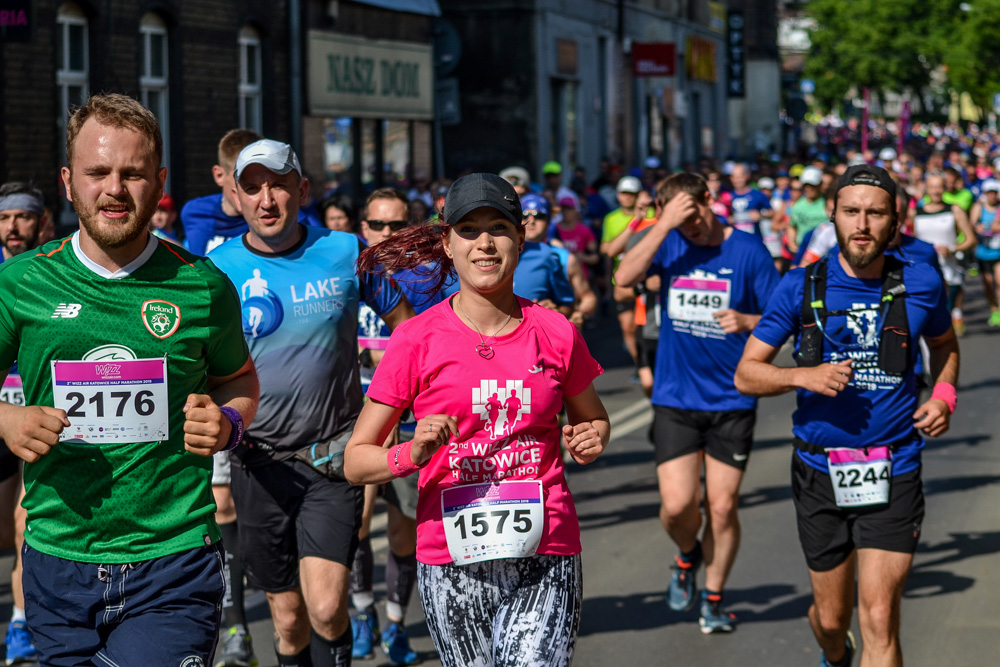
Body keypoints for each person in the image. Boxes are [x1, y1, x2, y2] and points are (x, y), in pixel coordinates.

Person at [0, 93, 259, 666]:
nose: (114, 189)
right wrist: (6, 416)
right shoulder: (21, 282)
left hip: (173, 561)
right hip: (57, 561)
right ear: (69, 182)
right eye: (97, 172)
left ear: (159, 180)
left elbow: (239, 378)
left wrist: (229, 418)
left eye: (133, 173)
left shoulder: (203, 285)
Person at [345, 173, 610, 667]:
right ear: (446, 243)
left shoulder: (554, 331)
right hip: (451, 560)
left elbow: (594, 418)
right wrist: (412, 453)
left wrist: (592, 436)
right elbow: (357, 462)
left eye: (499, 228)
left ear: (521, 237)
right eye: (468, 230)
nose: (484, 243)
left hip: (545, 552)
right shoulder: (416, 339)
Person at [735, 165, 959, 667]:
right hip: (819, 468)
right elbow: (747, 374)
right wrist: (801, 377)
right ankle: (835, 653)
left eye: (876, 213)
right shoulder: (799, 286)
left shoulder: (921, 280)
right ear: (832, 216)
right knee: (833, 621)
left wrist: (944, 394)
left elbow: (944, 345)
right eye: (852, 211)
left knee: (879, 616)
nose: (863, 223)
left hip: (895, 464)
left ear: (895, 220)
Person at [209, 140, 413, 667]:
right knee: (289, 619)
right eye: (252, 187)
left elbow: (407, 332)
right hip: (257, 463)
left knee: (324, 608)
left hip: (331, 459)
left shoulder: (345, 251)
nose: (267, 198)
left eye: (278, 184)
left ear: (303, 189)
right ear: (236, 195)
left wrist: (384, 414)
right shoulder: (217, 267)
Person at [615, 172, 779, 634]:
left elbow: (781, 317)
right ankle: (687, 556)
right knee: (677, 507)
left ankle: (713, 595)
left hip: (733, 398)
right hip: (676, 396)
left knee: (722, 507)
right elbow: (624, 278)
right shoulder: (668, 241)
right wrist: (664, 225)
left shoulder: (747, 250)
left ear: (710, 201)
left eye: (695, 216)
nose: (693, 229)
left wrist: (749, 319)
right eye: (682, 221)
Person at [351, 188, 443, 665]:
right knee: (360, 524)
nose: (387, 235)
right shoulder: (347, 274)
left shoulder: (431, 278)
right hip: (358, 417)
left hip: (410, 422)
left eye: (397, 226)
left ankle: (395, 625)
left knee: (404, 530)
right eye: (378, 226)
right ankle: (362, 615)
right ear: (363, 227)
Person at [0, 181, 49, 663]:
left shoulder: (57, 270)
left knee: (22, 524)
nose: (13, 227)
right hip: (1, 410)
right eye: (5, 218)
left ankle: (20, 624)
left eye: (23, 217)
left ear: (42, 222)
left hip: (43, 415)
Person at [521, 193, 597, 329]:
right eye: (524, 215)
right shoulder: (504, 255)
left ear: (549, 221)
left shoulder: (563, 256)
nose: (531, 221)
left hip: (555, 333)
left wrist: (580, 315)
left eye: (539, 216)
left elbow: (588, 297)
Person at [913, 172, 976, 335]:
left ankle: (955, 317)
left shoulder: (954, 210)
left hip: (949, 268)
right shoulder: (916, 212)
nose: (936, 191)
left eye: (939, 187)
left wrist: (952, 249)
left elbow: (971, 239)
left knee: (946, 308)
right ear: (926, 188)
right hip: (924, 269)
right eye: (932, 187)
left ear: (945, 188)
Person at [972, 179, 1000, 326]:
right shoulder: (979, 207)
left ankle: (999, 310)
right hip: (983, 252)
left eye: (994, 193)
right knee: (988, 284)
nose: (992, 196)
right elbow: (972, 222)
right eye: (989, 193)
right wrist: (978, 227)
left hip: (998, 251)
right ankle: (993, 308)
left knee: (999, 281)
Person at [727, 163, 771, 237]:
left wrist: (761, 215)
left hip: (754, 238)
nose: (737, 180)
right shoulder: (727, 196)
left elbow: (772, 212)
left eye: (740, 177)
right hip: (735, 239)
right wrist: (727, 219)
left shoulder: (758, 195)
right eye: (734, 177)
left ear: (747, 176)